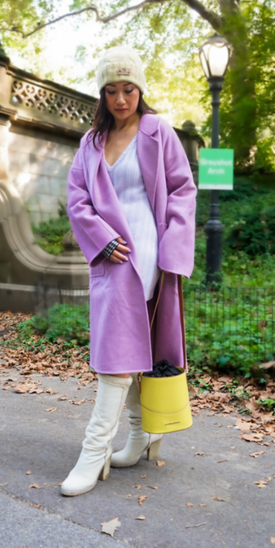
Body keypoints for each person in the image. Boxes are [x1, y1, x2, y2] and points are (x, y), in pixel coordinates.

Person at [61, 46, 196, 497]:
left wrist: (172, 253)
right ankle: (141, 436)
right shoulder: (91, 142)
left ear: (140, 90)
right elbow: (77, 198)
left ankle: (93, 451)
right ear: (102, 94)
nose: (121, 99)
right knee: (126, 346)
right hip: (111, 254)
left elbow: (182, 189)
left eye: (129, 89)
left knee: (116, 354)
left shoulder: (158, 131)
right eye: (111, 90)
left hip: (149, 254)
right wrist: (100, 239)